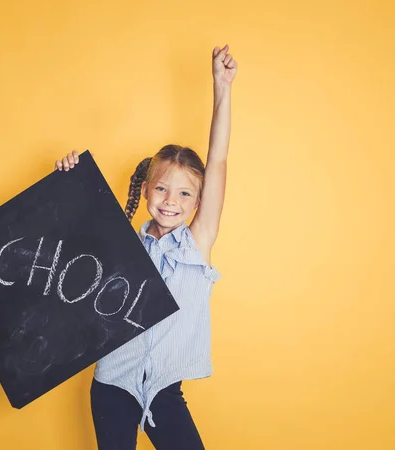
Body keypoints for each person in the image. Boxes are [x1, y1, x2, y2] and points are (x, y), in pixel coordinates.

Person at [55, 44, 237, 450]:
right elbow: (66, 251)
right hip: (112, 385)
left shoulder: (196, 245)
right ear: (147, 188)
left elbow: (219, 161)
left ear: (198, 201)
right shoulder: (121, 242)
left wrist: (222, 87)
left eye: (185, 194)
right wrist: (66, 180)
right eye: (162, 188)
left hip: (164, 390)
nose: (171, 201)